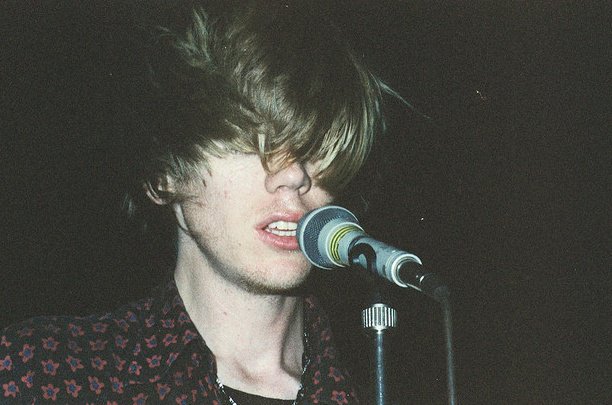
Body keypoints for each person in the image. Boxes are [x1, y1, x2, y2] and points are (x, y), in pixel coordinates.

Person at [1, 0, 389, 403]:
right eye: (247, 141)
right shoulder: (42, 373)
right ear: (164, 177)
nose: (293, 175)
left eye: (316, 145)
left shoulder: (380, 389)